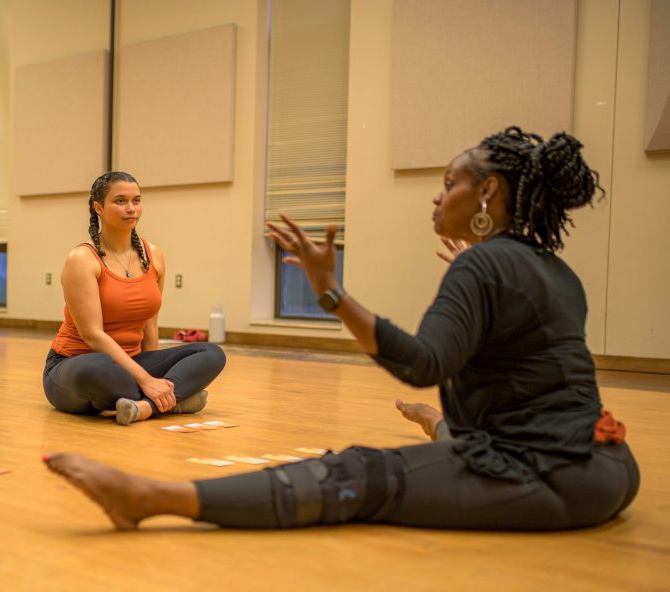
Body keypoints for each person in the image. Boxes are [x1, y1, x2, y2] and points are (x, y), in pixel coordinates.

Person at [43, 127, 639, 531]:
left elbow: (424, 364)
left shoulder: (485, 263)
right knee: (448, 434)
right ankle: (446, 429)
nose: (437, 199)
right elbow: (520, 372)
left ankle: (149, 498)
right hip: (610, 468)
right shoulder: (547, 265)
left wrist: (332, 293)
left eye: (450, 185)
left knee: (356, 473)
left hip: (545, 476)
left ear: (487, 192)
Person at [43, 171, 226, 425]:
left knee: (212, 352)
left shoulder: (154, 255)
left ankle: (147, 406)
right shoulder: (82, 260)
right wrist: (147, 380)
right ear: (99, 207)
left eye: (136, 200)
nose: (131, 209)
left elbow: (150, 324)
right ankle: (174, 400)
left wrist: (151, 371)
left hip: (132, 363)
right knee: (100, 368)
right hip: (75, 365)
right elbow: (92, 335)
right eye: (120, 201)